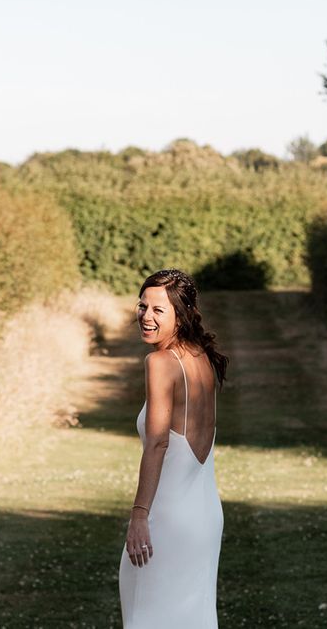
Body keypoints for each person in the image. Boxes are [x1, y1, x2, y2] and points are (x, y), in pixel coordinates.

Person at [118, 268, 229, 628]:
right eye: (142, 306)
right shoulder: (203, 358)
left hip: (165, 521)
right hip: (204, 517)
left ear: (180, 315)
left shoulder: (160, 363)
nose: (146, 317)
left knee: (145, 619)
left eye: (158, 310)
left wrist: (139, 515)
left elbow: (158, 443)